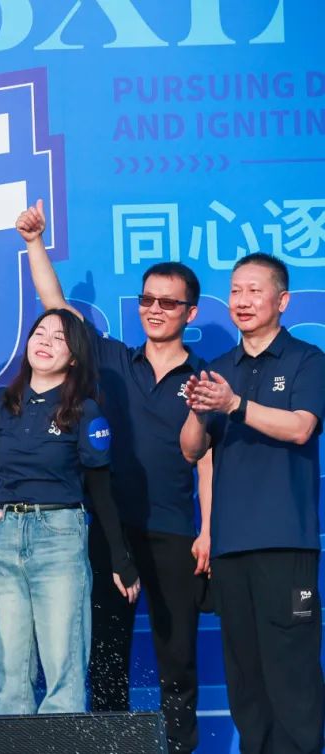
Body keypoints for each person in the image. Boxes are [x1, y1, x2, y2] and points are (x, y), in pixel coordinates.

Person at [17, 199, 212, 751]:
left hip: (174, 532)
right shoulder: (112, 359)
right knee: (106, 655)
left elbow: (206, 459)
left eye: (168, 302)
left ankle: (179, 747)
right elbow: (55, 306)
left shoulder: (204, 377)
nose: (155, 310)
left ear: (190, 312)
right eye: (147, 299)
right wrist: (34, 242)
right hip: (110, 532)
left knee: (178, 657)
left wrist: (207, 530)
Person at [180, 253, 324, 754]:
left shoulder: (307, 360)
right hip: (231, 547)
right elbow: (191, 450)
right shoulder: (218, 370)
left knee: (292, 672)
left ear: (281, 301)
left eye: (254, 290)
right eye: (236, 290)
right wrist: (198, 409)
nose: (242, 300)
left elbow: (301, 427)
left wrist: (235, 405)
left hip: (285, 541)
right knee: (245, 679)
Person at [0, 309, 141, 714]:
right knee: (9, 676)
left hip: (60, 535)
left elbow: (101, 489)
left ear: (74, 356)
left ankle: (62, 740)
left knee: (64, 674)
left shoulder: (85, 410)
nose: (45, 342)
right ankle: (16, 742)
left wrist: (120, 557)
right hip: (4, 534)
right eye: (39, 333)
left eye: (59, 338)